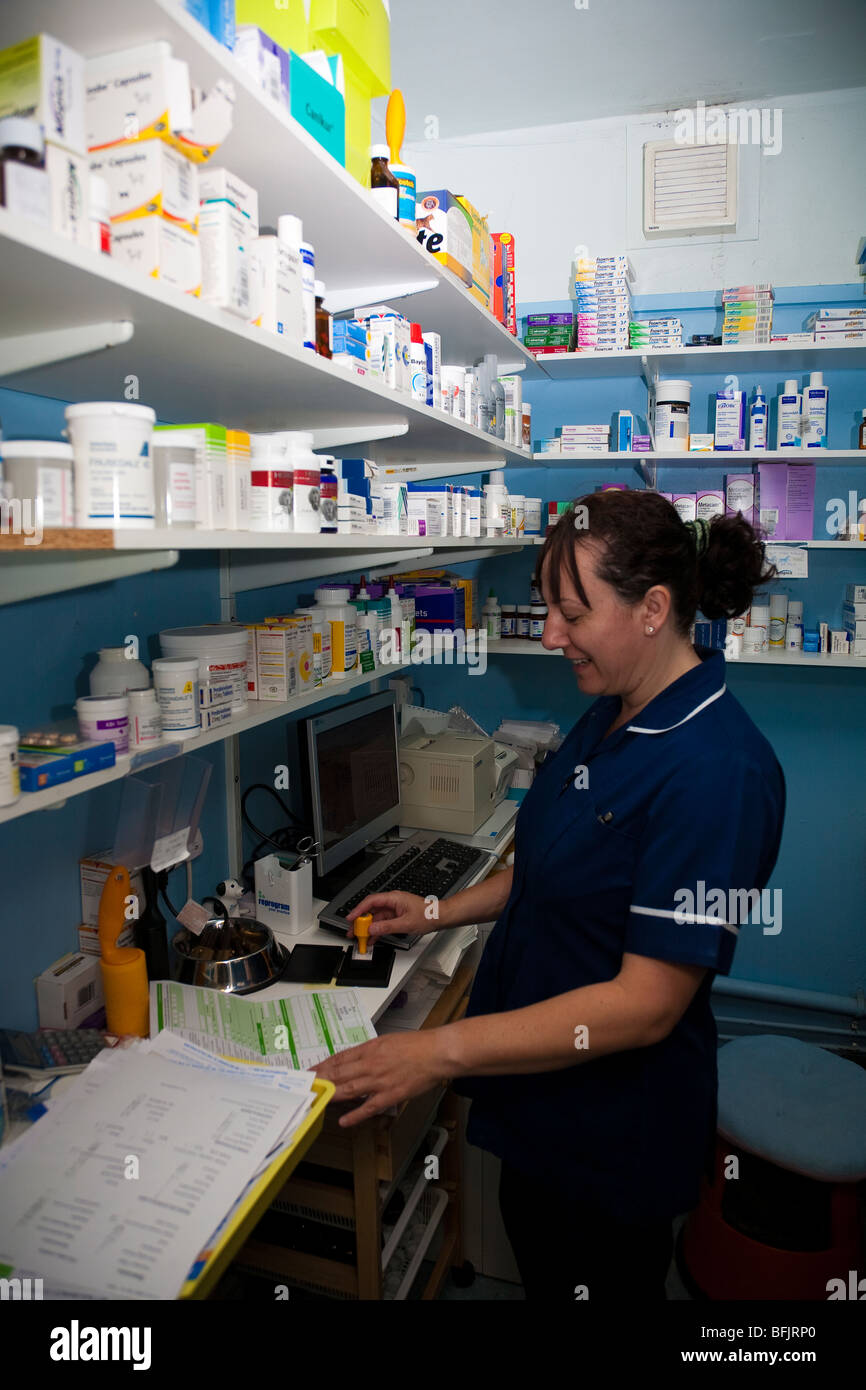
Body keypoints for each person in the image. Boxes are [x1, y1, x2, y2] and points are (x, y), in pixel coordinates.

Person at [314, 490, 786, 1301]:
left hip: (610, 1137)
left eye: (573, 612)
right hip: (545, 1110)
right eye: (547, 610)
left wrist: (434, 1051)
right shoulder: (614, 712)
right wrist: (435, 910)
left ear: (654, 609)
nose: (553, 635)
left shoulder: (717, 773)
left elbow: (647, 1005)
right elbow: (551, 866)